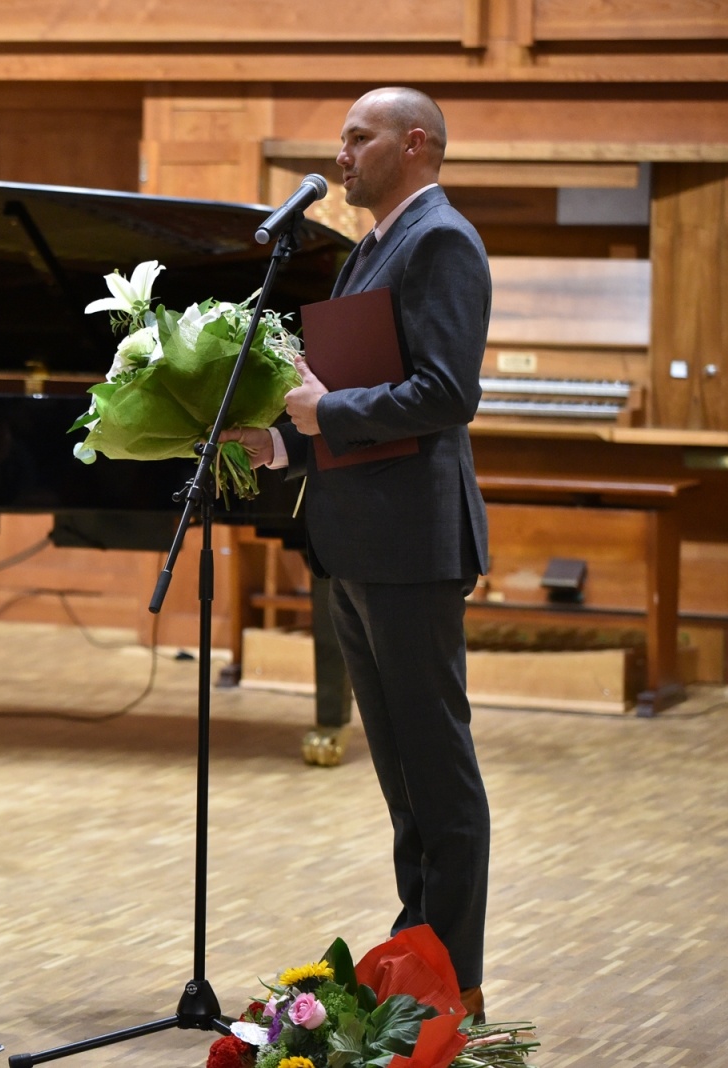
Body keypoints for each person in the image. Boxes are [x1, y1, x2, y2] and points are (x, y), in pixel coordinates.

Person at [222, 87, 492, 1022]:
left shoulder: (440, 239)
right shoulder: (374, 246)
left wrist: (322, 413)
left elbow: (447, 393)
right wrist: (285, 442)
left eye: (357, 137)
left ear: (415, 144)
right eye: (341, 138)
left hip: (413, 546)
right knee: (403, 782)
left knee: (438, 774)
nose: (340, 154)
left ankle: (455, 984)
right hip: (358, 538)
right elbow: (353, 389)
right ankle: (415, 959)